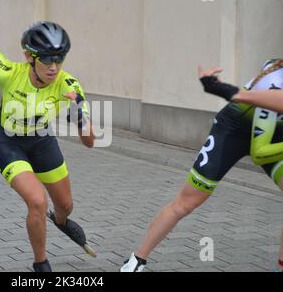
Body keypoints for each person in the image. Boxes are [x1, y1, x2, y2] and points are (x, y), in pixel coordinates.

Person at [0, 21, 96, 272]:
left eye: (59, 59)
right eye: (46, 59)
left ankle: (59, 221)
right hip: (6, 141)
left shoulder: (69, 86)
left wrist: (79, 115)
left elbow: (90, 143)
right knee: (37, 201)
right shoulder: (8, 71)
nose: (54, 67)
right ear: (29, 57)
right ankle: (41, 263)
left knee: (65, 206)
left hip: (41, 140)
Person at [121, 59, 283, 272]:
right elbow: (259, 153)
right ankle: (136, 260)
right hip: (233, 131)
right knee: (186, 202)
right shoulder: (275, 85)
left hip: (272, 130)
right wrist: (221, 88)